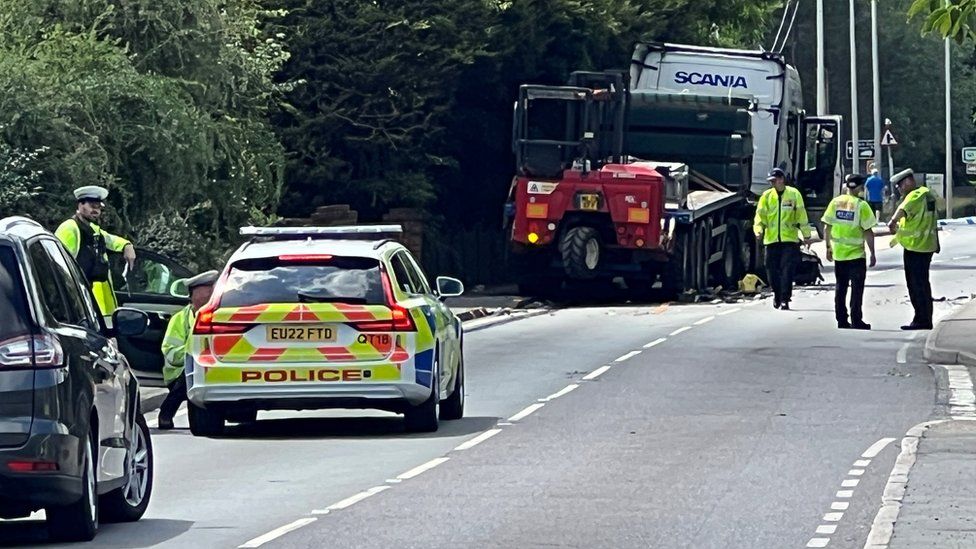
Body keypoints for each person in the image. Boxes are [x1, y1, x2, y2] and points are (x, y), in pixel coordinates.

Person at [55, 186, 136, 316]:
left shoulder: (92, 229)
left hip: (90, 302)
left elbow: (110, 240)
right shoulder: (69, 229)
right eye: (92, 206)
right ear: (80, 205)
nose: (96, 211)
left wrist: (127, 245)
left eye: (98, 207)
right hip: (76, 305)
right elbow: (61, 269)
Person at [158, 270, 219, 430]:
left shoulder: (219, 315)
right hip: (179, 372)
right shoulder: (179, 319)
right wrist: (193, 352)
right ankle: (166, 414)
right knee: (191, 372)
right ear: (192, 297)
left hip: (213, 368)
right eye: (203, 296)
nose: (207, 299)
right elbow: (171, 353)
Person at [822, 174, 877, 330]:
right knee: (857, 289)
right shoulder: (861, 205)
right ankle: (856, 320)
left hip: (839, 254)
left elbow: (827, 227)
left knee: (841, 287)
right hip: (856, 255)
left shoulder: (835, 202)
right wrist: (872, 253)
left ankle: (841, 320)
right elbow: (868, 232)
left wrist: (828, 247)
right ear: (860, 187)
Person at [887, 169, 940, 330]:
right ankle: (924, 318)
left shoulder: (917, 194)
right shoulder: (927, 194)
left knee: (916, 285)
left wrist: (892, 221)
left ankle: (921, 320)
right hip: (925, 245)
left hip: (916, 246)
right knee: (922, 283)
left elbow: (904, 208)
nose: (899, 189)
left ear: (909, 181)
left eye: (900, 185)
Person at [754, 167, 813, 310]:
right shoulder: (767, 196)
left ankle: (785, 298)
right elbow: (759, 216)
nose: (772, 184)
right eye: (771, 181)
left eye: (774, 180)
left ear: (781, 179)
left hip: (789, 240)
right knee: (771, 269)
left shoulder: (793, 194)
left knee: (787, 270)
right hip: (771, 240)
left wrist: (806, 235)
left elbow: (801, 215)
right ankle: (777, 294)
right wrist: (758, 230)